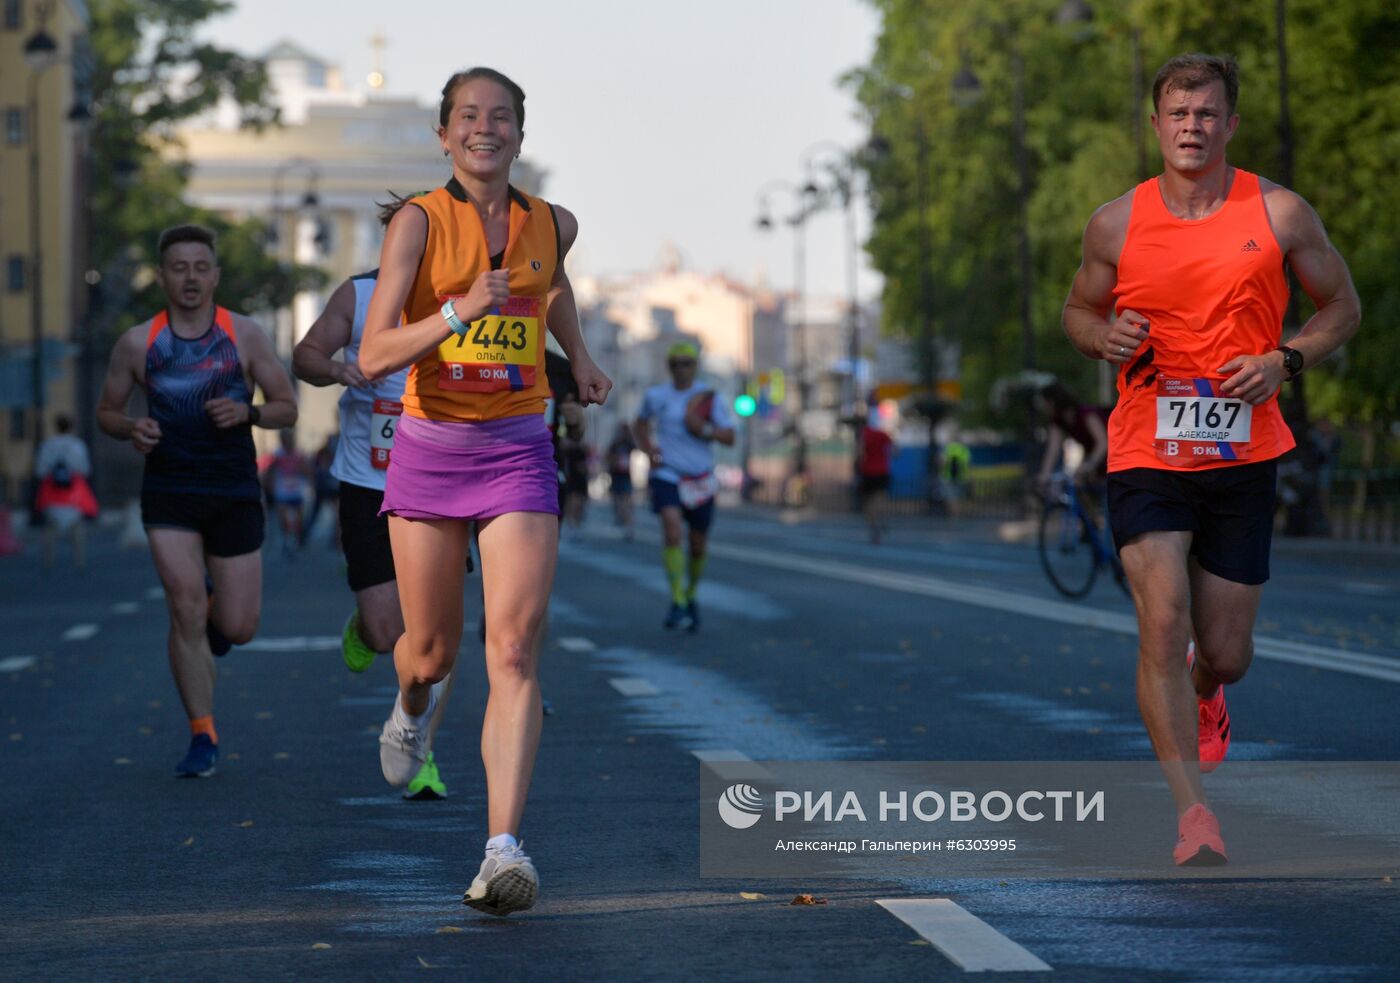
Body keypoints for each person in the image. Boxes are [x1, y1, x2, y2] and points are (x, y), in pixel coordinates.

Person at [1061, 54, 1361, 866]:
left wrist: (1285, 361)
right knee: (1161, 619)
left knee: (1224, 650)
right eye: (1177, 113)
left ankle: (1208, 689)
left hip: (1242, 445)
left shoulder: (1280, 211)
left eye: (1206, 114)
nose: (1191, 127)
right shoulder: (1116, 221)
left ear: (1229, 123)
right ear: (1155, 124)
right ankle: (1194, 815)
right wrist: (1102, 336)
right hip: (1146, 443)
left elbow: (1342, 306)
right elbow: (1080, 309)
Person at [358, 67, 612, 915]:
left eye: (500, 117)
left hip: (517, 445)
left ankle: (503, 849)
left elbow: (553, 286)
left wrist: (578, 356)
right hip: (430, 448)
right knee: (432, 651)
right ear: (444, 135)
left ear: (519, 133)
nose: (485, 129)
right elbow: (373, 355)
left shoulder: (553, 223)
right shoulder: (417, 225)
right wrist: (459, 313)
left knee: (513, 649)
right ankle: (409, 704)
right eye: (469, 116)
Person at [96, 223, 298, 778]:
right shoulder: (139, 342)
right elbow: (107, 412)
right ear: (162, 276)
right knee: (182, 604)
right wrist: (131, 428)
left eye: (199, 267)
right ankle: (202, 734)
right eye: (178, 267)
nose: (189, 277)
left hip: (232, 487)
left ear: (215, 275)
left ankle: (214, 612)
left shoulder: (245, 336)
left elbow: (286, 406)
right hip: (170, 491)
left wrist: (249, 413)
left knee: (238, 627)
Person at [293, 259, 457, 800]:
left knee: (435, 633)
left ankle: (422, 751)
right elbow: (306, 356)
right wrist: (337, 370)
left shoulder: (466, 294)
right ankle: (364, 629)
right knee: (389, 633)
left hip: (440, 481)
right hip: (368, 483)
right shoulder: (360, 297)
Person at [634, 342, 736, 631]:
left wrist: (702, 428)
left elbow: (729, 437)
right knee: (672, 527)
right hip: (668, 474)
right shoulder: (656, 395)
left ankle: (691, 595)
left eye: (686, 363)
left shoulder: (709, 398)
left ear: (695, 366)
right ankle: (677, 599)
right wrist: (648, 449)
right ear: (669, 366)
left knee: (698, 543)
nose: (681, 369)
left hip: (700, 478)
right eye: (676, 363)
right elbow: (639, 424)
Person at [33, 414, 99, 571]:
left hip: (52, 490)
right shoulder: (78, 445)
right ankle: (79, 562)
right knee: (77, 527)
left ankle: (48, 562)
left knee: (50, 528)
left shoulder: (48, 445)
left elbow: (40, 470)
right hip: (73, 492)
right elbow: (84, 469)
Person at [1034, 381, 1110, 498]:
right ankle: (1093, 516)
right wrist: (1045, 474)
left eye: (1046, 403)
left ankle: (1100, 516)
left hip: (1111, 456)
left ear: (1053, 402)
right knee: (1076, 485)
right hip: (1093, 457)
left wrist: (1090, 464)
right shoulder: (1058, 421)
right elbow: (1053, 448)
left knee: (1100, 491)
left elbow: (1103, 442)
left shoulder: (1086, 413)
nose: (1044, 408)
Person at [264, 429, 309, 556]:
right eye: (285, 438)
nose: (288, 441)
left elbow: (308, 470)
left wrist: (304, 470)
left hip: (297, 491)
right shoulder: (277, 454)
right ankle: (286, 538)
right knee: (283, 519)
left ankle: (295, 540)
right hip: (282, 491)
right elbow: (270, 471)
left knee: (299, 521)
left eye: (290, 438)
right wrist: (269, 484)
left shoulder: (299, 454)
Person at [855, 415, 893, 544]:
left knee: (867, 501)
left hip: (868, 471)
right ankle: (879, 520)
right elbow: (895, 450)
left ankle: (873, 524)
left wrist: (859, 465)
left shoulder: (864, 434)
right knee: (880, 498)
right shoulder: (882, 434)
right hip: (882, 471)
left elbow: (860, 453)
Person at [606, 422, 637, 539]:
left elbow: (635, 447)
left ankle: (628, 526)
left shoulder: (628, 443)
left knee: (626, 502)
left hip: (626, 476)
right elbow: (608, 456)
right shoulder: (615, 444)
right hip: (616, 475)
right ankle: (621, 519)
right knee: (618, 500)